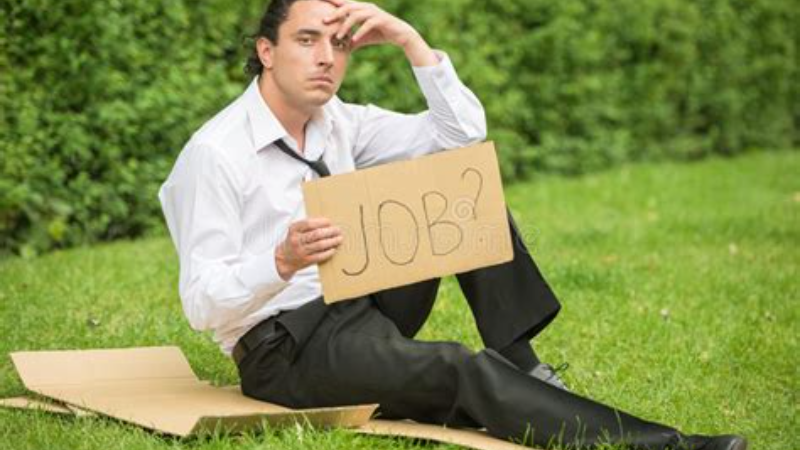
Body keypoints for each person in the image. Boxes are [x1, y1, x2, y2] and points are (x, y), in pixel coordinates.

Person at [158, 0, 747, 448]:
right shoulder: (215, 154)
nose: (326, 58)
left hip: (356, 297)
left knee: (463, 196)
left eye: (338, 44)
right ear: (266, 51)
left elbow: (460, 137)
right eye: (306, 40)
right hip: (286, 347)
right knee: (456, 367)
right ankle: (666, 445)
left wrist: (410, 41)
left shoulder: (337, 120)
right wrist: (281, 261)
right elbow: (201, 304)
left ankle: (523, 365)